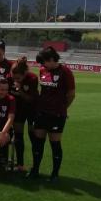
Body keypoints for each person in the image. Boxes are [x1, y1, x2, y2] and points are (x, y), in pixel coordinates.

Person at [28, 47, 76, 181]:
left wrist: (62, 108)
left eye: (43, 62)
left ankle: (55, 174)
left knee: (54, 144)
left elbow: (71, 94)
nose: (42, 65)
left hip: (56, 115)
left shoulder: (65, 72)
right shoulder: (43, 70)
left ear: (51, 59)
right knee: (38, 142)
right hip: (41, 113)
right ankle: (35, 170)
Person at [9, 56, 38, 171]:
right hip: (18, 109)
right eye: (13, 77)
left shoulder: (32, 78)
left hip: (32, 109)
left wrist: (19, 90)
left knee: (33, 136)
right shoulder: (8, 77)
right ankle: (20, 164)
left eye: (18, 78)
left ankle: (36, 167)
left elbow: (30, 99)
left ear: (25, 73)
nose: (16, 80)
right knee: (18, 135)